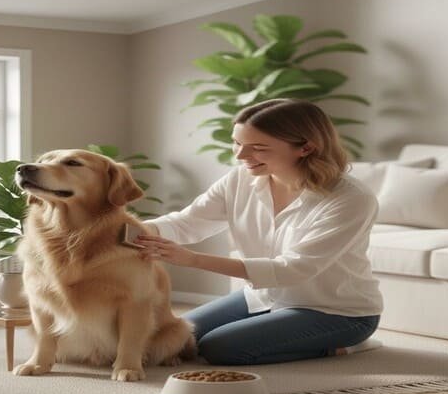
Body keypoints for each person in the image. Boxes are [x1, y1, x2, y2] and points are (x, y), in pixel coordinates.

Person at [136, 98, 382, 365]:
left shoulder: (350, 198)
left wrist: (192, 259)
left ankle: (344, 345)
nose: (240, 156)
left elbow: (293, 269)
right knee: (176, 336)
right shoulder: (239, 179)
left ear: (306, 147)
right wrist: (130, 229)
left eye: (258, 148)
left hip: (335, 311)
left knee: (221, 349)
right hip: (261, 298)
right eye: (238, 143)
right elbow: (187, 222)